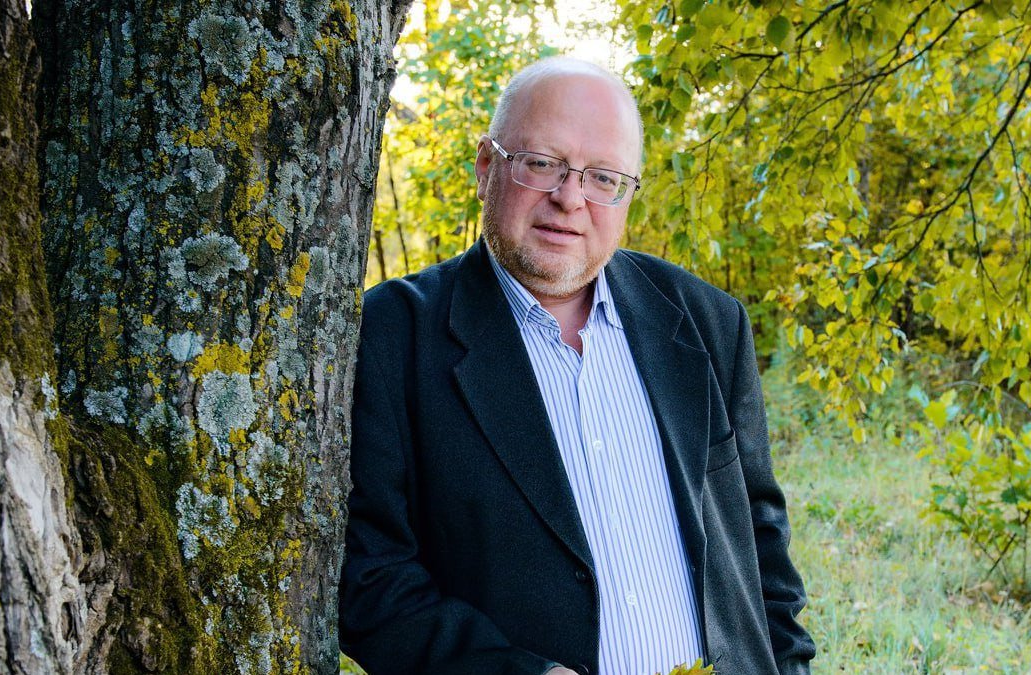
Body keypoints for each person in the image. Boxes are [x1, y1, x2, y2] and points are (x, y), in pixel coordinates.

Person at [339, 57, 815, 675]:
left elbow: (762, 546)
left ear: (628, 192)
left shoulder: (706, 321)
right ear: (486, 166)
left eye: (603, 178)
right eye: (542, 164)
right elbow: (370, 579)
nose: (570, 199)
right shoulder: (392, 335)